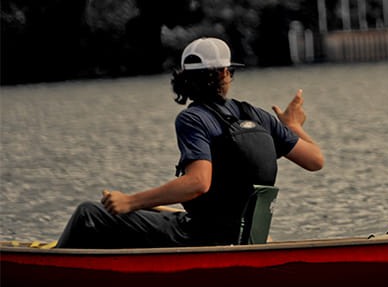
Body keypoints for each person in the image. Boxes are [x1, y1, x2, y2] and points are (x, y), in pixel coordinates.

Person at [56, 37, 324, 248]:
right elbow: (315, 160)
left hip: (200, 237)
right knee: (154, 214)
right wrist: (293, 126)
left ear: (184, 78)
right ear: (226, 74)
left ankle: (52, 270)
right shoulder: (257, 115)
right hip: (244, 238)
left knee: (89, 214)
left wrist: (130, 201)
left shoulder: (193, 119)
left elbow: (198, 183)